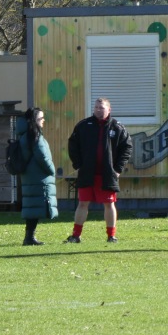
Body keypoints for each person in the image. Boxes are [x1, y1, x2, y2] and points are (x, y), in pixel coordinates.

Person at [65, 97, 132, 243]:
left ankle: (111, 236)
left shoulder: (117, 127)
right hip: (87, 172)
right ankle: (76, 235)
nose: (97, 110)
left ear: (109, 109)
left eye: (101, 108)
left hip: (107, 174)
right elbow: (72, 145)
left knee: (109, 204)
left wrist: (118, 169)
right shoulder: (83, 125)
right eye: (95, 107)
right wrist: (78, 165)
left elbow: (126, 148)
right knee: (83, 203)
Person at [17, 107, 58, 245]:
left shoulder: (24, 135)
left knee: (32, 206)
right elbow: (43, 157)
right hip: (37, 177)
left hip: (29, 176)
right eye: (41, 118)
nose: (43, 120)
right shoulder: (35, 136)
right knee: (34, 207)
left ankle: (29, 237)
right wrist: (52, 170)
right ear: (34, 120)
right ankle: (29, 237)